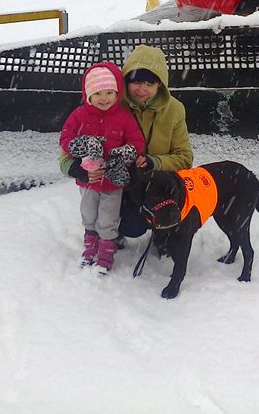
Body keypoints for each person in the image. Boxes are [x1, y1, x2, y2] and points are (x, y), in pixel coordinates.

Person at [59, 62, 146, 274]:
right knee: (88, 213)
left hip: (112, 181)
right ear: (88, 94)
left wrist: (123, 153)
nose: (104, 98)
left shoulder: (124, 117)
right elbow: (66, 138)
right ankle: (90, 247)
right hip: (89, 179)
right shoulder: (79, 115)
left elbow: (137, 142)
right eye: (98, 93)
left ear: (117, 94)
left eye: (109, 92)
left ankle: (106, 253)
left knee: (108, 218)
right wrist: (80, 147)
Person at [119, 44, 194, 239]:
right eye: (136, 82)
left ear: (159, 84)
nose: (142, 89)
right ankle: (112, 231)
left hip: (158, 184)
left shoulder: (175, 109)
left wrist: (155, 162)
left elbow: (184, 158)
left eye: (149, 84)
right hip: (123, 183)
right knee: (131, 228)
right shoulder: (112, 104)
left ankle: (163, 233)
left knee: (165, 218)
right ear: (126, 80)